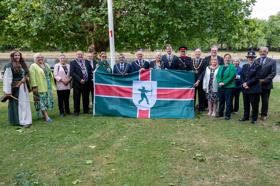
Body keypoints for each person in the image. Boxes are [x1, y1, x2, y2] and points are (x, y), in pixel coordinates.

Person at [3, 51, 32, 128]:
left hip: (24, 87)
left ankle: (26, 119)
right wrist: (8, 91)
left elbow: (25, 75)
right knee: (20, 104)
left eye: (18, 55)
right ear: (12, 56)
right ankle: (22, 121)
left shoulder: (22, 65)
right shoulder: (9, 66)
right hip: (16, 87)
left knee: (25, 104)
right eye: (15, 55)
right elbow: (7, 79)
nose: (17, 57)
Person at [30, 53, 56, 122]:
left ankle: (43, 115)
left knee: (47, 100)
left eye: (42, 57)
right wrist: (34, 87)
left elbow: (49, 74)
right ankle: (46, 116)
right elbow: (32, 77)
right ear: (35, 58)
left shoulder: (46, 65)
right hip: (40, 86)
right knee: (42, 100)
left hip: (48, 85)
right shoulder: (33, 66)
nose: (40, 58)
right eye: (38, 57)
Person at [254, 47, 277, 120]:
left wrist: (265, 80)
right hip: (256, 84)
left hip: (266, 84)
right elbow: (253, 72)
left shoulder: (272, 61)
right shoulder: (255, 60)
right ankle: (254, 112)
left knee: (265, 101)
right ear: (259, 52)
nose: (262, 53)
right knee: (255, 100)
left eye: (264, 51)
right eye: (261, 51)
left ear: (267, 52)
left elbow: (273, 73)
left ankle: (263, 114)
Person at [239, 51, 262, 124]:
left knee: (254, 104)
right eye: (249, 57)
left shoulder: (258, 66)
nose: (250, 59)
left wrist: (247, 83)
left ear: (254, 58)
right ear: (247, 58)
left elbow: (257, 77)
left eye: (252, 57)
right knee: (246, 104)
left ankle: (254, 119)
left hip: (254, 89)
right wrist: (243, 83)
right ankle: (246, 117)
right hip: (245, 89)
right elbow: (242, 76)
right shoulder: (245, 66)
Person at [70, 51, 92, 116]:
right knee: (76, 98)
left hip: (86, 83)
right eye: (79, 54)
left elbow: (90, 71)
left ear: (83, 55)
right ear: (76, 55)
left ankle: (86, 109)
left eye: (81, 54)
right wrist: (79, 80)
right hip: (77, 83)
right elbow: (72, 73)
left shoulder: (87, 62)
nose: (80, 56)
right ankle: (76, 111)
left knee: (86, 97)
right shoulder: (73, 62)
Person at [216, 54, 236, 120]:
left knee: (228, 101)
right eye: (226, 58)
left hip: (229, 87)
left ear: (230, 59)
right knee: (221, 100)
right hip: (220, 87)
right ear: (224, 59)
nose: (227, 59)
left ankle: (228, 115)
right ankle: (220, 113)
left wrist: (224, 83)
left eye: (228, 58)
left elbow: (231, 76)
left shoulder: (232, 67)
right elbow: (217, 75)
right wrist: (219, 82)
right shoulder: (221, 67)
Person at [190, 48, 207, 114]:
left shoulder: (204, 62)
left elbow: (203, 72)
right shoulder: (191, 61)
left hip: (200, 81)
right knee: (193, 95)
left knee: (201, 96)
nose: (197, 53)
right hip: (193, 81)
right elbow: (190, 70)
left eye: (198, 52)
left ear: (200, 53)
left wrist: (198, 80)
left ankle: (201, 108)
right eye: (196, 52)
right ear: (194, 53)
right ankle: (193, 107)